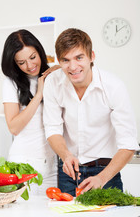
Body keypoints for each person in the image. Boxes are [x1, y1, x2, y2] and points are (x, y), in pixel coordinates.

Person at [43, 28, 139, 197]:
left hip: (106, 171)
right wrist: (66, 155)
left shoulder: (113, 86)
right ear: (59, 60)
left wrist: (102, 178)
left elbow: (128, 144)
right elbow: (52, 129)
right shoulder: (53, 82)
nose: (73, 67)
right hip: (69, 170)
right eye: (65, 60)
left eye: (79, 57)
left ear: (91, 56)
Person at [1, 29, 59, 195]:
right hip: (25, 164)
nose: (30, 66)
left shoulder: (53, 76)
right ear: (14, 63)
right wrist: (39, 93)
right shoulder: (11, 83)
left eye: (33, 57)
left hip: (53, 164)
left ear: (39, 52)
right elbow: (14, 127)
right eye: (22, 62)